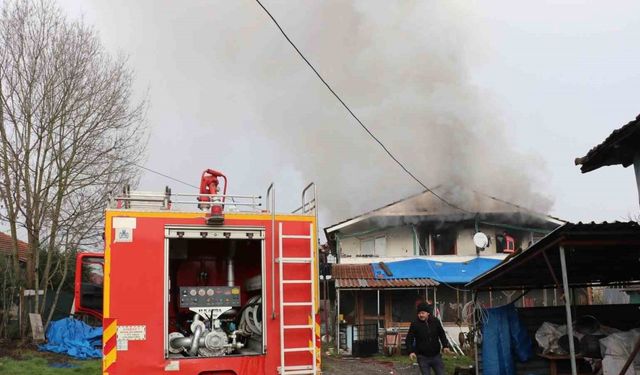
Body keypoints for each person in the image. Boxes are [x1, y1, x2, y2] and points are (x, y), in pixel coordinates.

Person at [406, 303, 451, 375]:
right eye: (419, 313)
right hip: (422, 357)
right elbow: (409, 339)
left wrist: (445, 346)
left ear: (428, 313)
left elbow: (442, 334)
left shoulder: (435, 321)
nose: (421, 315)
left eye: (423, 313)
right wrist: (411, 351)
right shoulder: (415, 324)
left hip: (436, 356)